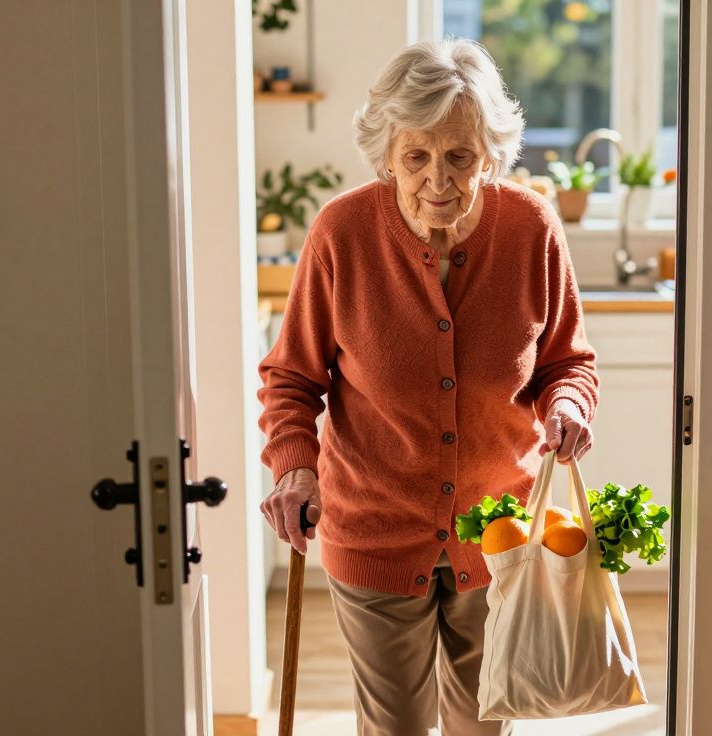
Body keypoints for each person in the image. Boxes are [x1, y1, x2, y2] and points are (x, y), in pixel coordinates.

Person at [257, 39, 600, 736]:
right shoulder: (342, 234)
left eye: (461, 157)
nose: (438, 180)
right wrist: (295, 469)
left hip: (500, 532)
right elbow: (291, 379)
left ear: (491, 155)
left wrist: (567, 404)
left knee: (485, 723)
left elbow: (567, 361)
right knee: (396, 729)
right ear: (387, 155)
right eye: (416, 157)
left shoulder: (531, 229)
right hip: (374, 531)